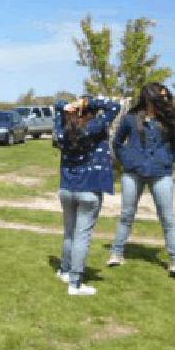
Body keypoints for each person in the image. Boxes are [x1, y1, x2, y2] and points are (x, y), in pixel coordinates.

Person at [108, 83, 175, 278]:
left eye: (166, 95)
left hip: (161, 174)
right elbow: (117, 143)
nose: (165, 98)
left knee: (167, 219)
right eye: (161, 95)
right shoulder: (131, 119)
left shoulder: (169, 120)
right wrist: (128, 159)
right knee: (126, 215)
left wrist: (167, 161)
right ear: (149, 96)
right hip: (133, 173)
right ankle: (116, 253)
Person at [53, 96, 121, 296]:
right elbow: (114, 106)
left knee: (69, 233)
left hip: (67, 188)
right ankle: (75, 282)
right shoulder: (95, 128)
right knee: (82, 236)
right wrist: (88, 101)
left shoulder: (62, 131)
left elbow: (57, 108)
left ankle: (64, 270)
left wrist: (66, 106)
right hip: (89, 188)